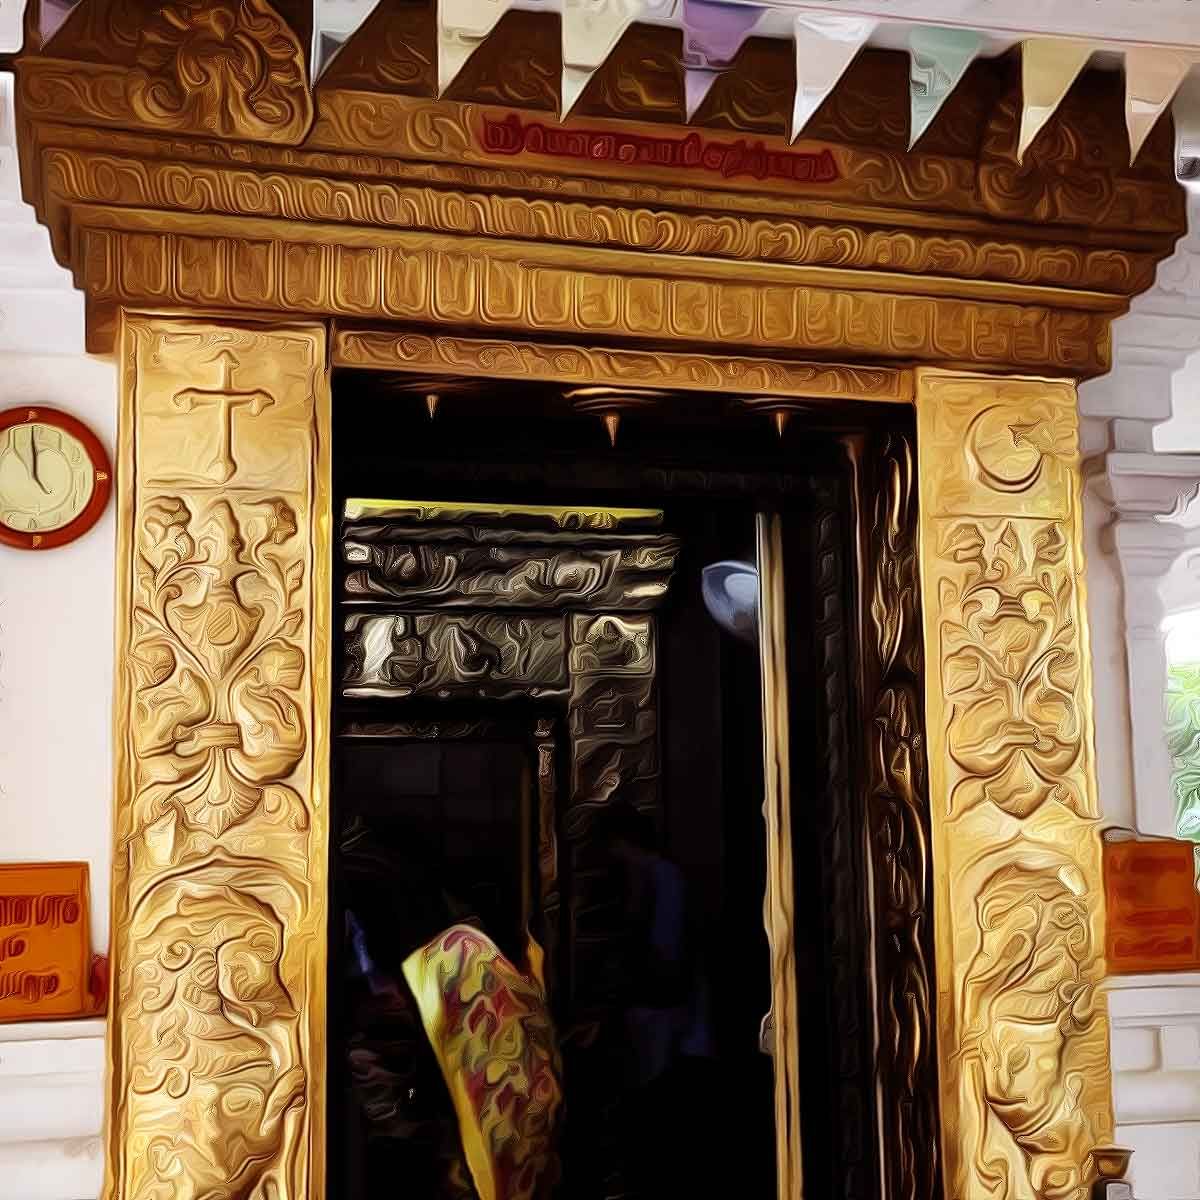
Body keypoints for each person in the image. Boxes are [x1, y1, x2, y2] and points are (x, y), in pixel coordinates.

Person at [591, 795, 715, 1193]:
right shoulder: (648, 879)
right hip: (659, 1016)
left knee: (658, 1113)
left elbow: (667, 960)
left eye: (610, 846)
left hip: (670, 1021)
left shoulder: (662, 878)